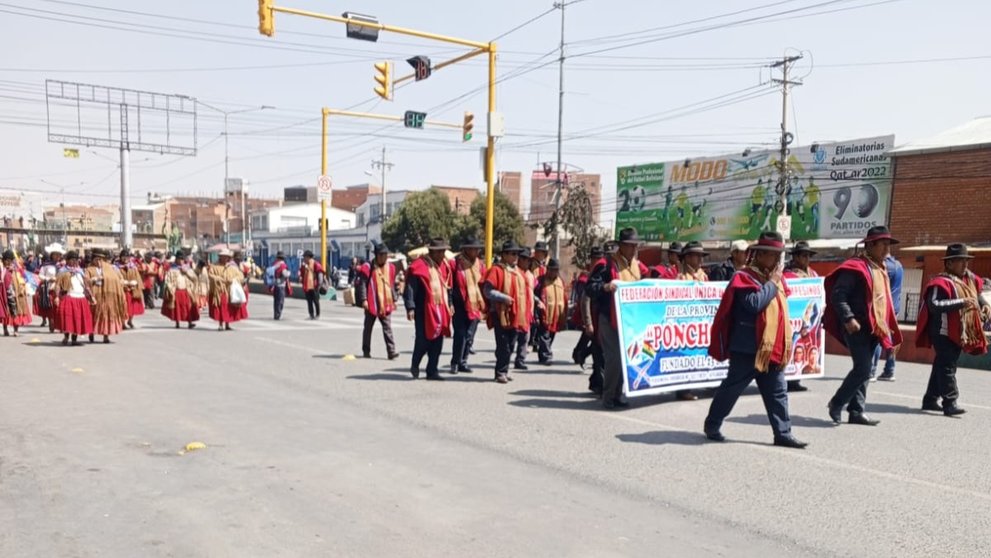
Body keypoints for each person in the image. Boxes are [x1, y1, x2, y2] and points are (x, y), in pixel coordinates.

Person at [704, 231, 807, 448]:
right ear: (759, 255)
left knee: (778, 393)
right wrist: (772, 283)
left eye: (779, 255)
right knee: (731, 390)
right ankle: (712, 424)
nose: (777, 260)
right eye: (772, 255)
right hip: (747, 349)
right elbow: (754, 303)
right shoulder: (743, 277)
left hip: (772, 349)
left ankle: (783, 433)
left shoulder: (777, 280)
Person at [823, 226, 902, 426]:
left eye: (888, 245)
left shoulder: (881, 269)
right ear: (870, 245)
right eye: (883, 244)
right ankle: (837, 402)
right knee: (864, 368)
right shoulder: (855, 267)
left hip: (875, 327)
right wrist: (848, 318)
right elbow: (838, 295)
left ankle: (856, 410)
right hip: (856, 326)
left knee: (866, 369)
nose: (887, 249)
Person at [915, 243, 990, 416]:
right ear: (949, 264)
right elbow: (934, 305)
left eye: (966, 261)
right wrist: (961, 303)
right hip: (942, 331)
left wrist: (984, 305)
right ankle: (950, 403)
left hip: (958, 331)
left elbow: (977, 295)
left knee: (942, 364)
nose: (965, 265)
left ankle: (930, 399)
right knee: (948, 365)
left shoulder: (968, 279)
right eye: (960, 261)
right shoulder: (939, 282)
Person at [586, 228, 649, 409]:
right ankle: (607, 396)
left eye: (635, 246)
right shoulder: (606, 264)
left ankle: (617, 394)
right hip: (610, 318)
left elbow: (648, 281)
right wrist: (605, 286)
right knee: (613, 358)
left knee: (626, 358)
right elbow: (590, 288)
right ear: (621, 246)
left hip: (630, 321)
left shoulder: (639, 265)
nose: (633, 249)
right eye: (630, 245)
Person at [403, 238, 453, 380]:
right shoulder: (419, 266)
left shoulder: (444, 266)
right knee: (423, 340)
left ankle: (432, 371)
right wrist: (410, 307)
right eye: (439, 252)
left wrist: (450, 303)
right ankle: (415, 364)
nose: (442, 255)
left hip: (440, 308)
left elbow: (448, 287)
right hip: (423, 309)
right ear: (431, 252)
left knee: (438, 341)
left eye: (443, 251)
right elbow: (410, 288)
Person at [483, 241, 528, 384]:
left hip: (516, 314)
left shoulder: (519, 272)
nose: (516, 257)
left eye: (517, 254)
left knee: (511, 344)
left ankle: (505, 370)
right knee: (503, 345)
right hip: (500, 312)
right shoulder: (497, 270)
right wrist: (504, 298)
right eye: (513, 254)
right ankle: (500, 372)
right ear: (504, 255)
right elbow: (487, 291)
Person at [674, 241, 709, 401]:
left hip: (700, 319)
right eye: (697, 256)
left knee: (697, 353)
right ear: (687, 257)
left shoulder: (703, 275)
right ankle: (683, 388)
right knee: (684, 354)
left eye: (701, 256)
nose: (700, 259)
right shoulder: (680, 276)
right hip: (684, 320)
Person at [782, 240, 819, 393]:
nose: (806, 259)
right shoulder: (787, 274)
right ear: (795, 257)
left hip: (809, 319)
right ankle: (787, 379)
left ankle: (796, 378)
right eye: (803, 255)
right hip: (793, 319)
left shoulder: (813, 274)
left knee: (806, 348)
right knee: (792, 348)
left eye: (808, 256)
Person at [448, 236, 486, 374]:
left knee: (469, 335)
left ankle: (463, 361)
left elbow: (483, 286)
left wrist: (485, 306)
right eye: (472, 249)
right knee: (460, 334)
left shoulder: (480, 265)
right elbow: (449, 285)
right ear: (465, 249)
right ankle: (455, 362)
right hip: (459, 304)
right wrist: (450, 302)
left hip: (475, 304)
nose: (474, 251)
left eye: (476, 249)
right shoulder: (455, 264)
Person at [355, 243, 399, 360]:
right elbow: (363, 285)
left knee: (387, 327)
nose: (384, 257)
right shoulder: (368, 267)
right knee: (368, 328)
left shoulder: (390, 268)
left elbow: (391, 285)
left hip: (385, 302)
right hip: (372, 302)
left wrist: (394, 299)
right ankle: (366, 350)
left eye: (385, 254)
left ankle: (391, 351)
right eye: (381, 255)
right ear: (376, 255)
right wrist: (364, 300)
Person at [84, 248, 127, 344]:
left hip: (108, 296)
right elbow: (86, 282)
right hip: (95, 295)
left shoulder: (110, 268)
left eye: (101, 259)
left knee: (107, 315)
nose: (99, 261)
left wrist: (107, 278)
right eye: (97, 259)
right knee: (94, 314)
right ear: (93, 259)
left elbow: (117, 279)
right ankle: (92, 332)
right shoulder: (89, 269)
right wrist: (94, 280)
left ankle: (106, 336)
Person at [570, 246, 603, 366]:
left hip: (598, 313)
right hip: (587, 311)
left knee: (593, 338)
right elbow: (584, 297)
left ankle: (581, 354)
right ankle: (580, 354)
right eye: (595, 258)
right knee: (590, 336)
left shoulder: (601, 271)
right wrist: (587, 319)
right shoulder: (585, 276)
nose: (597, 261)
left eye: (599, 258)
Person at [53, 250, 93, 346]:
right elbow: (58, 285)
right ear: (67, 260)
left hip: (80, 297)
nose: (74, 262)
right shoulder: (62, 271)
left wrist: (91, 296)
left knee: (77, 319)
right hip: (69, 296)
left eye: (75, 260)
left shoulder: (81, 271)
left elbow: (86, 286)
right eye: (72, 260)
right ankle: (66, 337)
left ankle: (74, 339)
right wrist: (57, 297)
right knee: (68, 320)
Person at [875, 253, 904, 381]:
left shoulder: (884, 266)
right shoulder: (899, 265)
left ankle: (871, 370)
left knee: (876, 337)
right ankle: (890, 369)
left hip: (884, 307)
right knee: (890, 338)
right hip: (895, 307)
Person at [534, 258, 567, 365]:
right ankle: (547, 355)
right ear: (547, 269)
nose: (554, 272)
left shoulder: (560, 281)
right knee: (545, 336)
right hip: (544, 314)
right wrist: (536, 314)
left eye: (556, 270)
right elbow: (533, 295)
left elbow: (564, 297)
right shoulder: (540, 281)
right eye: (552, 270)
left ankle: (542, 353)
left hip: (556, 316)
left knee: (550, 336)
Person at [208, 248, 246, 331]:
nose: (224, 258)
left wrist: (233, 280)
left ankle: (227, 324)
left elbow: (240, 276)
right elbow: (210, 275)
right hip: (219, 291)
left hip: (229, 291)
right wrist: (219, 279)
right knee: (221, 307)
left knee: (228, 308)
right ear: (220, 257)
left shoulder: (232, 268)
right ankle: (220, 324)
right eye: (223, 256)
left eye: (226, 257)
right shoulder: (215, 267)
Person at [162, 250, 200, 329]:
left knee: (188, 307)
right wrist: (170, 289)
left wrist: (186, 272)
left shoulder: (187, 268)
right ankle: (177, 322)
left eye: (183, 259)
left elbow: (194, 278)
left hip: (186, 290)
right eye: (180, 259)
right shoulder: (172, 269)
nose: (181, 261)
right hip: (176, 290)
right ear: (176, 259)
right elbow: (168, 280)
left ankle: (190, 322)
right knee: (177, 307)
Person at [514, 247, 537, 370]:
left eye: (528, 260)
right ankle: (504, 360)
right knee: (512, 338)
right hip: (517, 308)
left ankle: (520, 360)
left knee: (525, 337)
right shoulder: (514, 272)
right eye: (524, 259)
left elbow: (532, 292)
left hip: (528, 309)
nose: (526, 262)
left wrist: (537, 302)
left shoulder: (530, 275)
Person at [2, 250, 31, 337]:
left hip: (17, 294)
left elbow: (23, 279)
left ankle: (15, 330)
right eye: (6, 260)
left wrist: (21, 290)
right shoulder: (2, 270)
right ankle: (5, 329)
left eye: (10, 260)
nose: (8, 262)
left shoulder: (17, 270)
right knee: (6, 312)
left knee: (17, 312)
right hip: (5, 294)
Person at [37, 243, 65, 332]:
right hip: (50, 288)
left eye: (59, 254)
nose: (57, 256)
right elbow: (40, 276)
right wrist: (49, 279)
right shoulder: (46, 265)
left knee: (61, 308)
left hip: (61, 289)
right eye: (55, 254)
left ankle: (61, 325)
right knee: (51, 308)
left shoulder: (62, 266)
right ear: (52, 254)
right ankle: (51, 323)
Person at [118, 249, 144, 330]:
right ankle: (122, 323)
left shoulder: (133, 267)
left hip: (132, 290)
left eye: (127, 257)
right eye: (123, 257)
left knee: (132, 307)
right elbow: (116, 279)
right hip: (122, 290)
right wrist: (124, 283)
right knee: (123, 307)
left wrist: (135, 283)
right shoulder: (116, 267)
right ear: (120, 257)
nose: (125, 259)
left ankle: (130, 320)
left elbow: (138, 277)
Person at [299, 250, 325, 320]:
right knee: (309, 301)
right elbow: (301, 274)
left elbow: (320, 274)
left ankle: (317, 314)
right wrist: (301, 277)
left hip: (314, 286)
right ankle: (311, 314)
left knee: (316, 301)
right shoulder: (304, 265)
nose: (304, 259)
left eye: (305, 257)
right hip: (307, 286)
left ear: (308, 257)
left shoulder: (316, 264)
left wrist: (319, 284)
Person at [269, 251, 292, 320]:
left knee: (276, 301)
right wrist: (289, 273)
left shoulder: (274, 265)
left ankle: (276, 314)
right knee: (280, 301)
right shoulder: (283, 265)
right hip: (281, 285)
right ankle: (278, 314)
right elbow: (285, 274)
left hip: (275, 284)